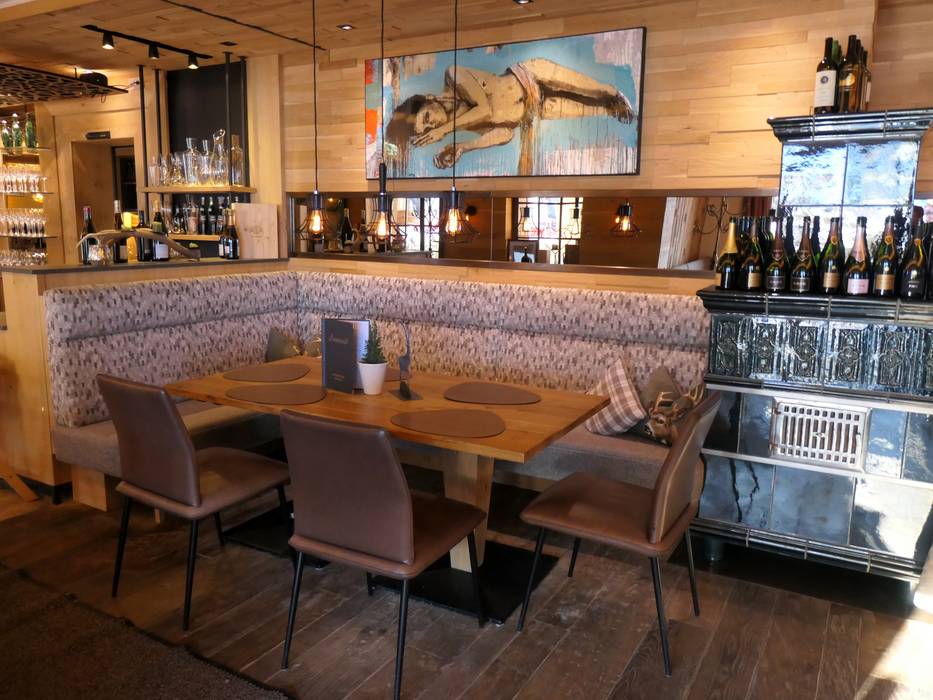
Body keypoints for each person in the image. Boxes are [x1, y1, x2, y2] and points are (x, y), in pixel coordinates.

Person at [384, 58, 636, 176]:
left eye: (428, 117)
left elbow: (484, 108)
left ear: (429, 98)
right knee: (604, 110)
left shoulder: (453, 75)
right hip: (534, 110)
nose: (435, 124)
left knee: (602, 91)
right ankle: (625, 112)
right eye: (429, 128)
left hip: (531, 75)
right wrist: (464, 147)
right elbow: (504, 134)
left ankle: (616, 93)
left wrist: (444, 131)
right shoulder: (462, 123)